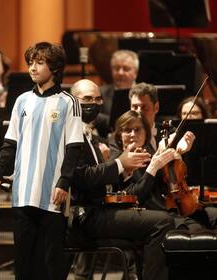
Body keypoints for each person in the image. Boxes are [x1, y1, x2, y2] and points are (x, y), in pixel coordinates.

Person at [0, 41, 84, 280]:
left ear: (54, 67)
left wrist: (63, 182)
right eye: (31, 62)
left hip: (52, 194)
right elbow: (10, 143)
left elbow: (74, 147)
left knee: (50, 262)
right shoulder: (21, 101)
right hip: (23, 193)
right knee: (24, 262)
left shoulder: (68, 102)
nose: (33, 68)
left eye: (40, 63)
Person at [68, 80, 175, 280]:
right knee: (162, 222)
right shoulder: (71, 134)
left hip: (102, 207)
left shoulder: (90, 135)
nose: (94, 103)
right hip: (86, 214)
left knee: (165, 219)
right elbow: (83, 178)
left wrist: (122, 170)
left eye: (98, 99)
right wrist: (119, 164)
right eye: (87, 99)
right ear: (72, 101)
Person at [112, 110, 217, 231]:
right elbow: (135, 197)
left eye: (137, 129)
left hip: (172, 208)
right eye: (127, 130)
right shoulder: (117, 161)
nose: (132, 134)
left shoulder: (150, 156)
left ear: (146, 133)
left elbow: (174, 181)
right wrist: (153, 167)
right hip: (152, 216)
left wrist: (180, 152)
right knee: (198, 229)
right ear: (119, 134)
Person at [96, 50, 139, 137]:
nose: (120, 73)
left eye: (126, 69)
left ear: (135, 73)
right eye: (117, 68)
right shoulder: (100, 92)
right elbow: (95, 117)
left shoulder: (143, 94)